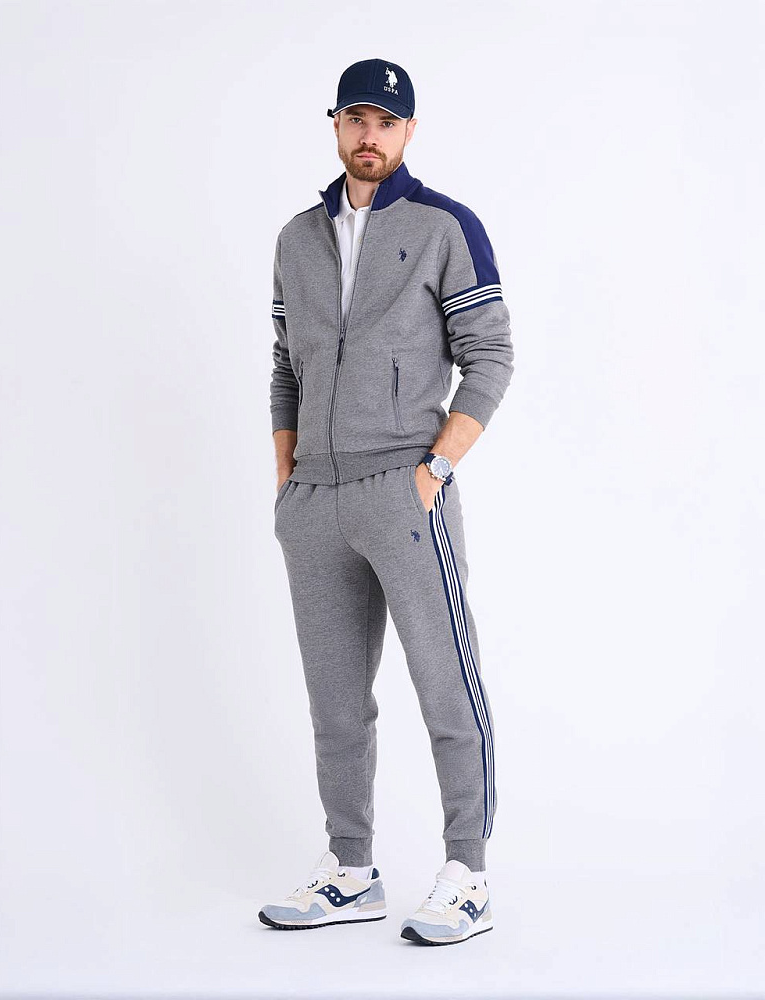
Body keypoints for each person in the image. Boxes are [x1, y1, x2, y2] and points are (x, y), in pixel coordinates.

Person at [260, 58, 514, 946]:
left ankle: (467, 875)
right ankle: (351, 869)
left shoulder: (445, 226)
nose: (370, 136)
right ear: (335, 124)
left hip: (405, 490)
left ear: (408, 132)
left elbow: (490, 357)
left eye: (387, 122)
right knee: (335, 703)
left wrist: (433, 470)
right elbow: (286, 366)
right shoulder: (297, 237)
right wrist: (287, 478)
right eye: (356, 119)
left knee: (446, 685)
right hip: (314, 501)